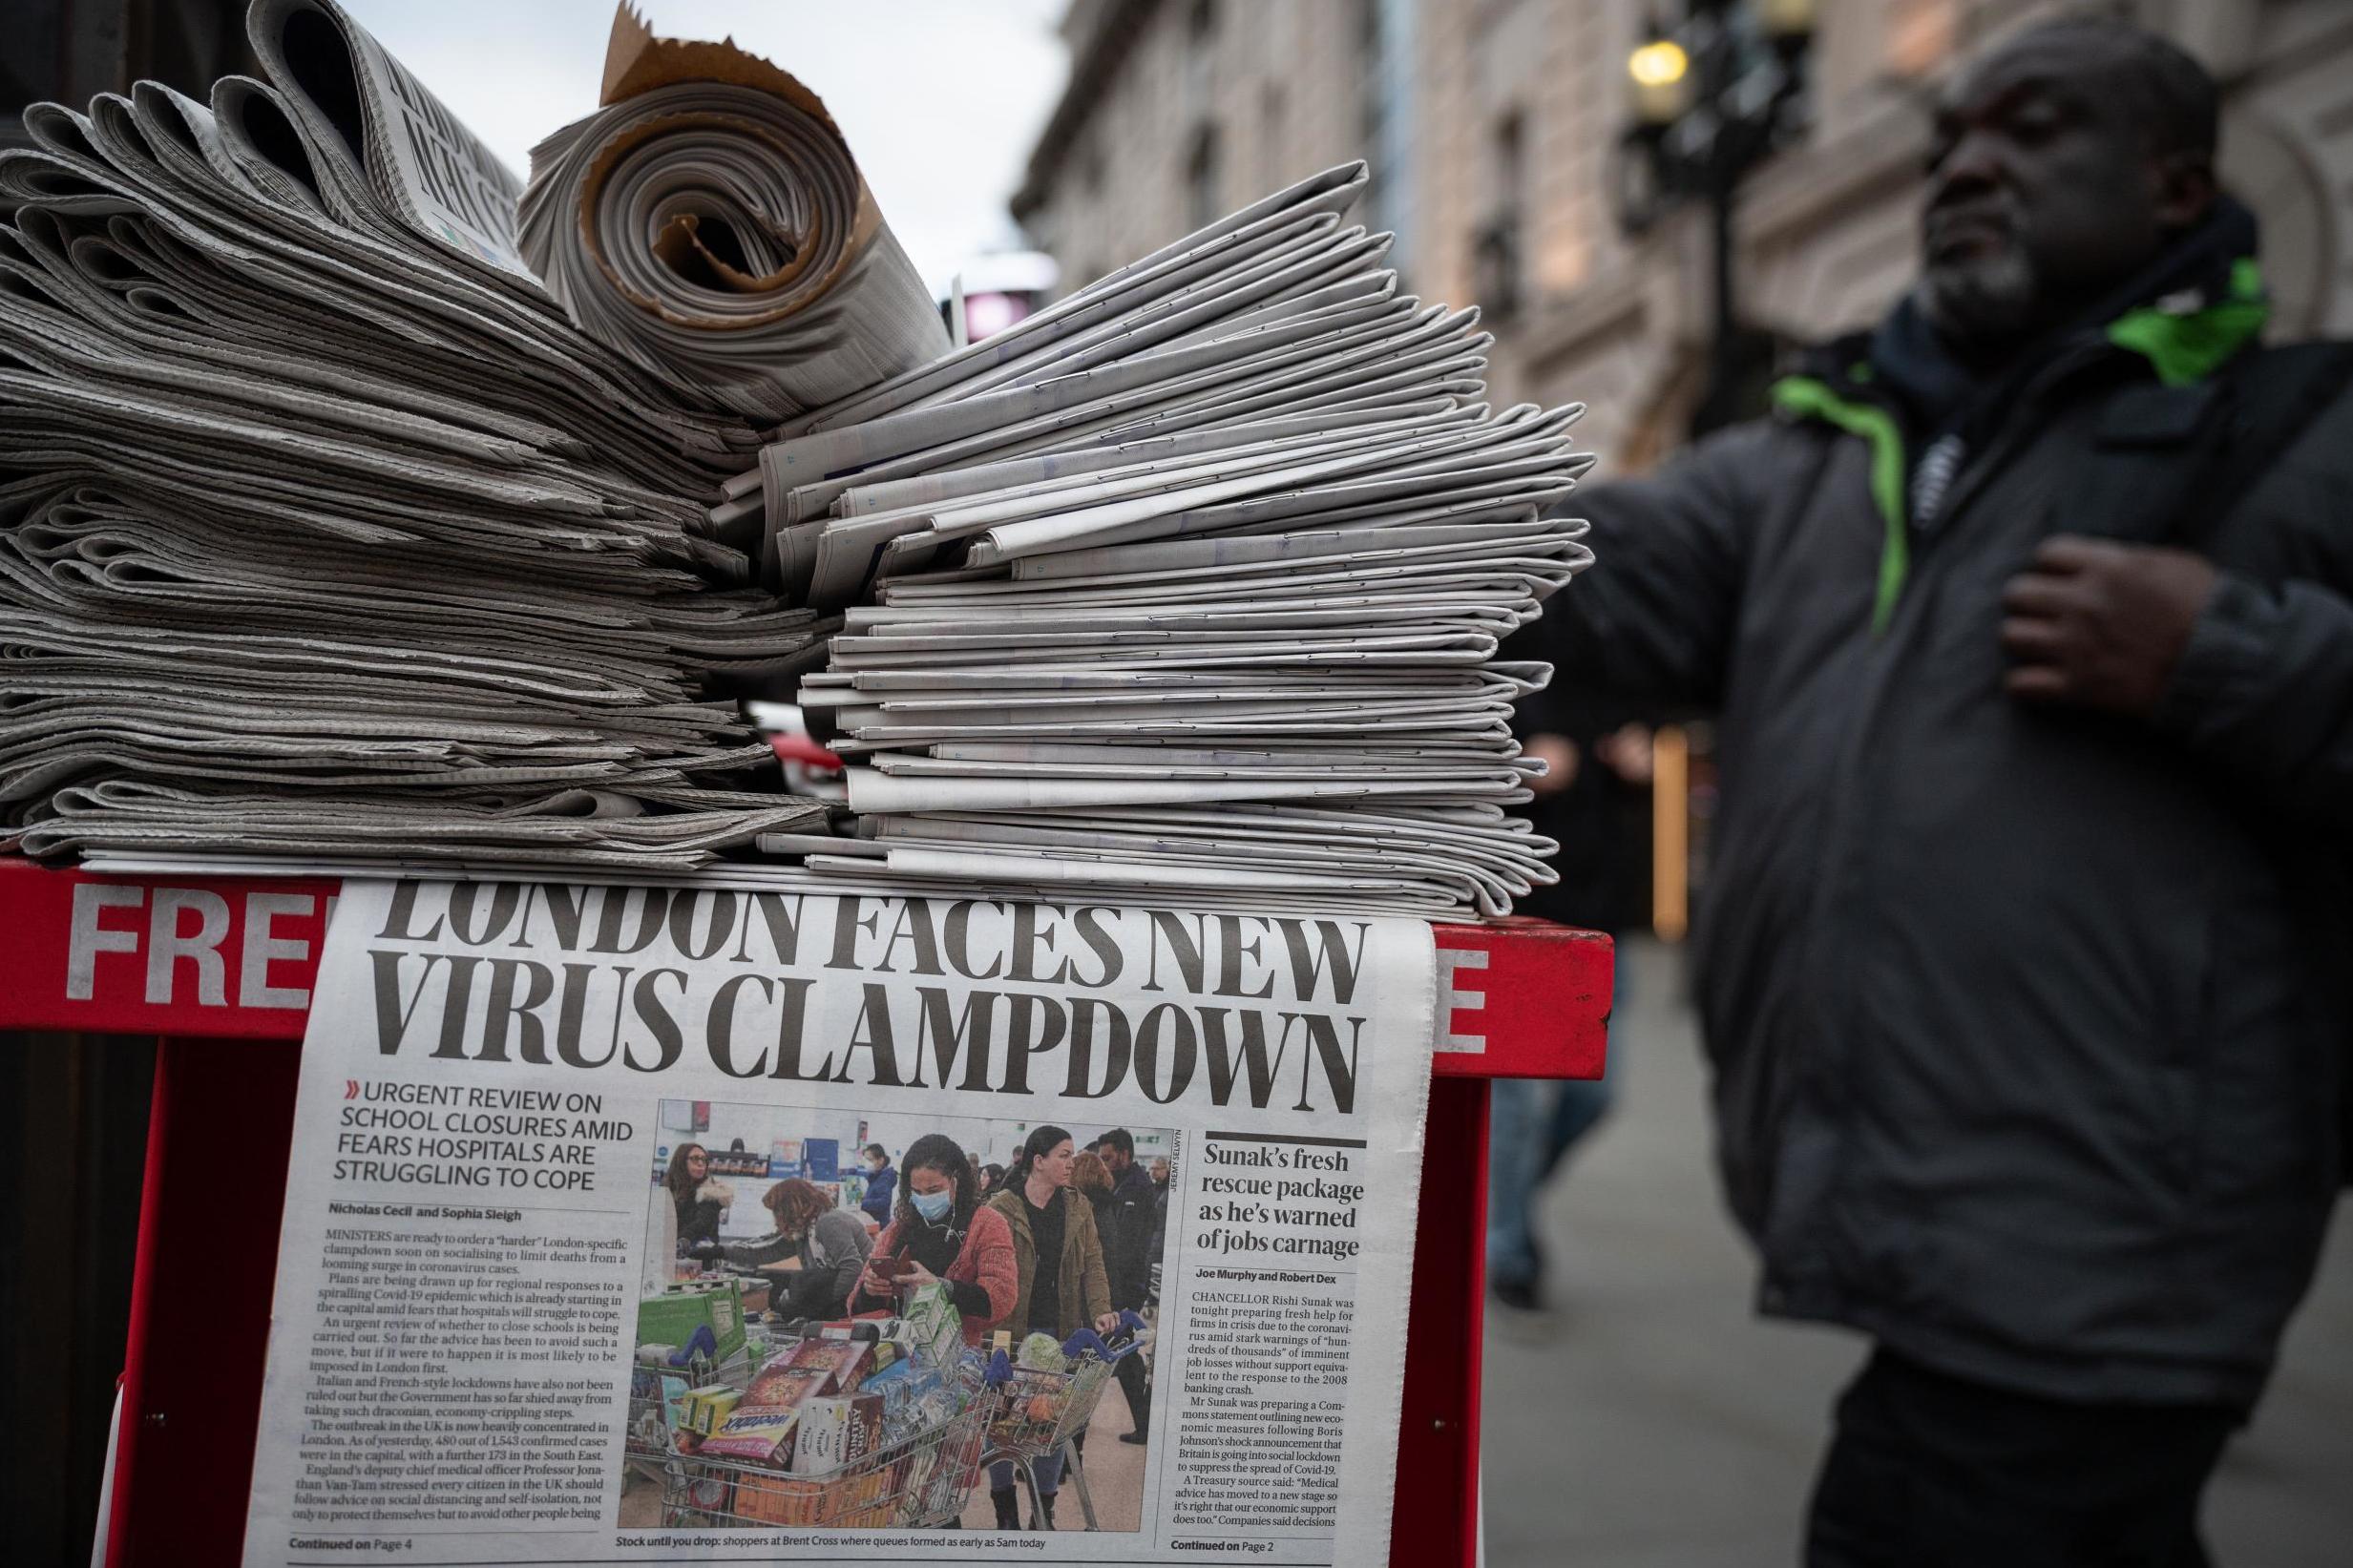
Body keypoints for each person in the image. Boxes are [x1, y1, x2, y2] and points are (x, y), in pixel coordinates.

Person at [1536, 18, 2352, 1563]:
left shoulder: (2302, 427)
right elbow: (1556, 565)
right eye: (1949, 139)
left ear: (2178, 188)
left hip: (2114, 1232)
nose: (1970, 164)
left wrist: (2226, 655)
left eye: (2034, 129)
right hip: (1924, 1212)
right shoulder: (1828, 453)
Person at [1484, 681, 1649, 1313]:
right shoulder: (1507, 652)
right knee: (1516, 1108)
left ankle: (1500, 1205)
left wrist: (1641, 765)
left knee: (1593, 1096)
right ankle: (1510, 1253)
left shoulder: (1624, 659)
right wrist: (1519, 765)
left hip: (1602, 924)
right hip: (1520, 923)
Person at [985, 1125, 1121, 1530]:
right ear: (1037, 1161)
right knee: (1003, 1419)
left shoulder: (1079, 1208)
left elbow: (1094, 1264)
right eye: (1063, 1154)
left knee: (1053, 1421)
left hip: (1060, 1328)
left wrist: (1101, 1309)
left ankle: (1044, 1509)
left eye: (1072, 1154)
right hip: (1012, 1330)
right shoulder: (1000, 1209)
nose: (1071, 1162)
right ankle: (1004, 1504)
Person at [851, 1133, 1017, 1346]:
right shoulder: (899, 1227)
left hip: (957, 1358)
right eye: (917, 1191)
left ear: (956, 1181)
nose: (925, 1198)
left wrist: (941, 1288)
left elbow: (1001, 1298)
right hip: (893, 1355)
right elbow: (858, 1306)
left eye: (934, 1190)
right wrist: (870, 1289)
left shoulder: (987, 1224)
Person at [725, 1178, 872, 1322]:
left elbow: (853, 1269)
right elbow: (769, 1253)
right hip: (846, 1303)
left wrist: (815, 1306)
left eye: (777, 1212)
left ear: (791, 1207)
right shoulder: (805, 1231)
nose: (776, 1220)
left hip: (862, 1303)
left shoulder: (829, 1222)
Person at [1095, 1129, 1156, 1442]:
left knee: (1121, 1356)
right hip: (1121, 1286)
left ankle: (1146, 1425)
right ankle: (1145, 1425)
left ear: (1124, 1153)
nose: (1104, 1164)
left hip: (1126, 1287)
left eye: (1108, 1158)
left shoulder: (1138, 1189)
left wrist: (1127, 1294)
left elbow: (1132, 1247)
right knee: (1126, 1355)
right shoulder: (1122, 1185)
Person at [663, 1142, 730, 1257]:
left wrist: (682, 1239)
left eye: (704, 1159)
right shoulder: (668, 1189)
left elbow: (701, 1223)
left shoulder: (710, 1192)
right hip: (668, 1253)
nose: (700, 1163)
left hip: (699, 1258)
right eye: (695, 1159)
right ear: (681, 1161)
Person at [857, 1143, 896, 1226]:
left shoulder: (884, 1179)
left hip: (879, 1225)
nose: (867, 1164)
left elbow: (884, 1202)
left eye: (870, 1160)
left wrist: (862, 1204)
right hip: (872, 1222)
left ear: (881, 1160)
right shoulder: (875, 1176)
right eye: (866, 1160)